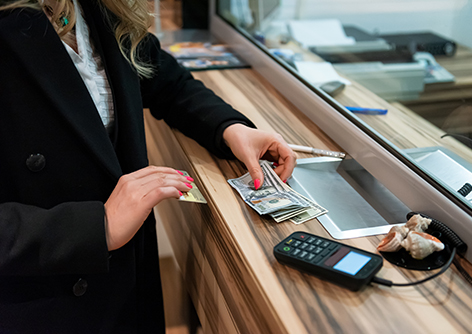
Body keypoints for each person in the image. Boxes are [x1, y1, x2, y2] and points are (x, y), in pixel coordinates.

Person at [0, 0, 296, 332]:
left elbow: (165, 79)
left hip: (127, 283)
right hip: (41, 302)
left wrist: (229, 128)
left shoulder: (97, 7)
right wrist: (97, 226)